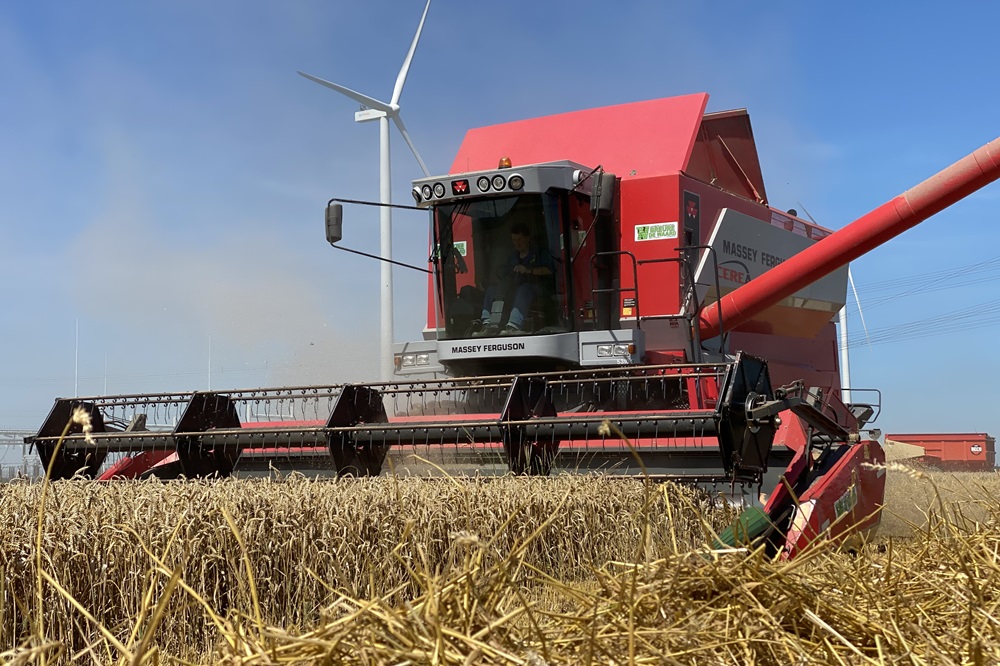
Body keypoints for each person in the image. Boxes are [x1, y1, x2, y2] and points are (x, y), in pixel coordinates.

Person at [474, 222, 555, 336]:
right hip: (515, 289)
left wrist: (528, 270)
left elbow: (549, 270)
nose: (517, 243)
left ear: (527, 238)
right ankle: (487, 324)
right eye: (514, 240)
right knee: (492, 290)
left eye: (520, 239)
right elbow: (505, 274)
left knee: (524, 288)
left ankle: (513, 326)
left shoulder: (540, 253)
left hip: (539, 288)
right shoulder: (513, 257)